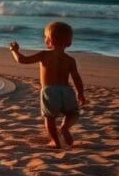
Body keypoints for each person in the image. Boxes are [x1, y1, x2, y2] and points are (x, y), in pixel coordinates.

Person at [9, 21, 86, 149]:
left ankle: (56, 142)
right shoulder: (70, 60)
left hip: (50, 91)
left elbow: (22, 60)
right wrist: (81, 93)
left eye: (45, 37)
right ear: (69, 43)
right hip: (67, 91)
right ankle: (65, 128)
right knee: (73, 113)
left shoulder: (44, 55)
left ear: (48, 41)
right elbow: (76, 78)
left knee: (49, 118)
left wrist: (14, 50)